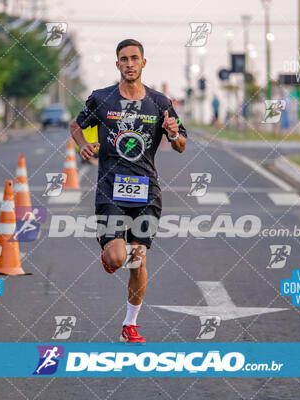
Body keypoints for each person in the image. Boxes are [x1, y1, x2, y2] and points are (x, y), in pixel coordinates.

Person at [70, 39, 187, 343]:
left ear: (143, 63)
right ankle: (106, 245)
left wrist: (174, 135)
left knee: (138, 259)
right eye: (124, 59)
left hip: (147, 192)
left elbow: (181, 145)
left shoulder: (160, 103)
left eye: (135, 58)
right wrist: (84, 146)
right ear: (117, 64)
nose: (130, 64)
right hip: (110, 190)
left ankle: (129, 325)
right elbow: (75, 125)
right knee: (117, 259)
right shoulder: (101, 99)